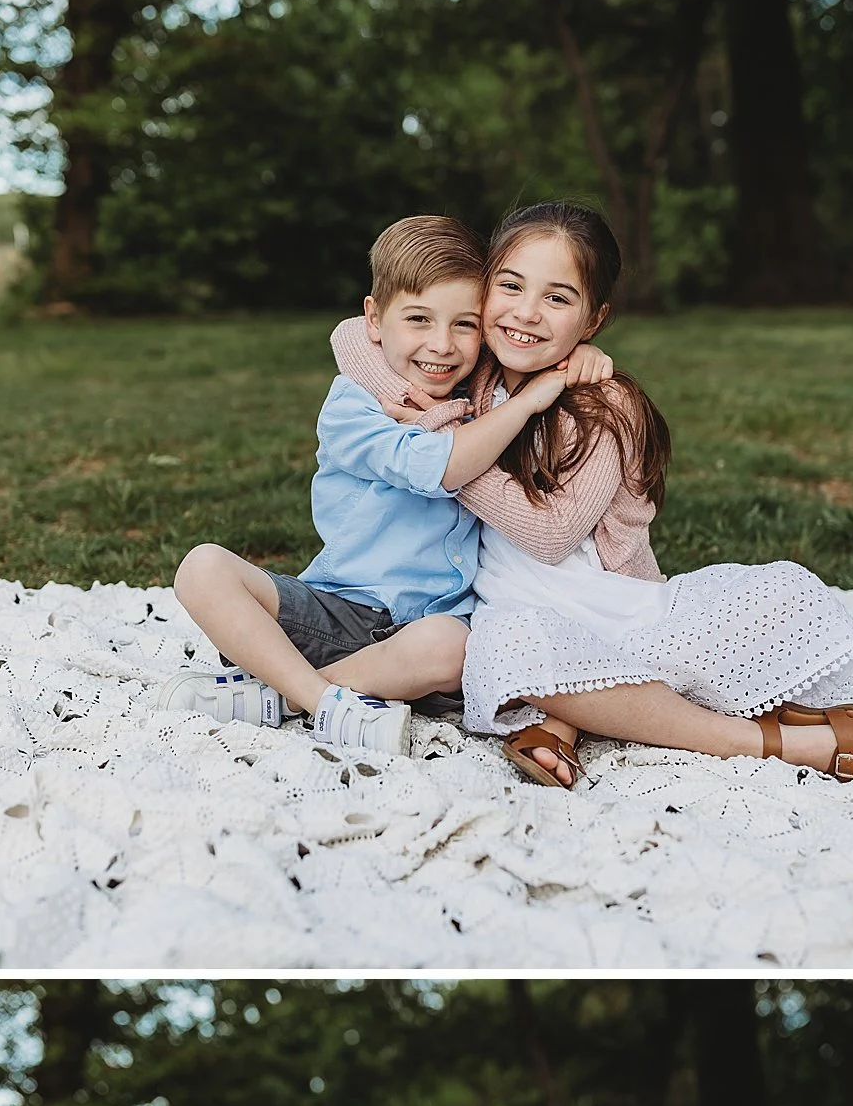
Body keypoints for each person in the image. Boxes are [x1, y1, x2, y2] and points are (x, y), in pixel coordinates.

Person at [332, 201, 853, 788]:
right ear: (483, 292)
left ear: (593, 320)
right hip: (513, 615)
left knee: (759, 610)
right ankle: (575, 716)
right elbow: (355, 336)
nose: (527, 314)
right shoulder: (478, 371)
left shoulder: (604, 407)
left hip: (607, 604)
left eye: (558, 299)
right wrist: (439, 410)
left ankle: (760, 742)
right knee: (507, 643)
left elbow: (550, 534)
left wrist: (444, 441)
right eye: (510, 286)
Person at [166, 214, 605, 756]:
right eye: (419, 320)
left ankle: (280, 696)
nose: (442, 346)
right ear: (375, 319)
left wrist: (573, 355)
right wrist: (530, 401)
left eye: (464, 325)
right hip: (338, 606)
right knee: (202, 565)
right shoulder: (354, 405)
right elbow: (440, 467)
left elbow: (534, 340)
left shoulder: (477, 390)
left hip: (428, 634)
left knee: (454, 647)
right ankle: (323, 702)